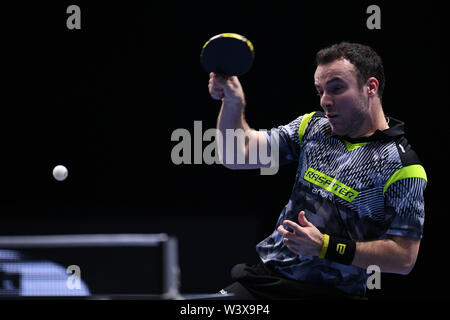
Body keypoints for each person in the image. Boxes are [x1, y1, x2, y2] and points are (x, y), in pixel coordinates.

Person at [208, 42, 427, 299]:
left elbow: (404, 259)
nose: (325, 101)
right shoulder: (312, 127)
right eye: (320, 90)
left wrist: (325, 246)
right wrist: (232, 102)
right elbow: (236, 155)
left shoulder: (403, 167)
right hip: (266, 281)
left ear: (370, 87)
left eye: (336, 89)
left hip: (333, 293)